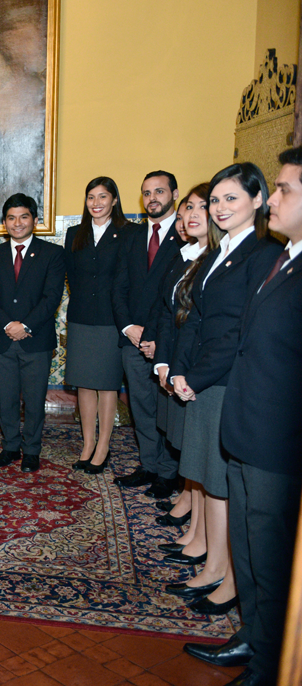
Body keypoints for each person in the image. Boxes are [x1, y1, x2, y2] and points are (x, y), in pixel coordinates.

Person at [184, 147, 302, 686]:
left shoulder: (271, 256)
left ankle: (269, 670)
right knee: (252, 552)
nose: (275, 199)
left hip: (277, 439)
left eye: (284, 190)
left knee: (273, 560)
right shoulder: (284, 259)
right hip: (249, 429)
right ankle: (254, 640)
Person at [169, 162, 282, 618]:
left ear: (258, 200)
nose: (219, 207)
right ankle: (215, 565)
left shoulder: (263, 252)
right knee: (209, 478)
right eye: (215, 199)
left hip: (225, 380)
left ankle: (228, 575)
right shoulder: (220, 251)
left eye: (230, 198)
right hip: (202, 377)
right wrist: (180, 370)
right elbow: (196, 318)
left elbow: (239, 330)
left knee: (220, 482)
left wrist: (194, 378)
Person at [0, 193, 66, 473]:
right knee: (5, 399)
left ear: (35, 220)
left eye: (24, 217)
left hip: (35, 339)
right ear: (4, 223)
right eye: (11, 218)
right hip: (1, 339)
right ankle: (10, 447)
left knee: (34, 400)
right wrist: (8, 325)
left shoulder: (52, 253)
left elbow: (51, 298)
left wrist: (25, 326)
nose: (17, 223)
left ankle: (31, 450)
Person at [112, 171, 185, 498]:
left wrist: (154, 335)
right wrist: (129, 328)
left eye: (159, 191)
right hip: (133, 339)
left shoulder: (185, 235)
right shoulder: (131, 236)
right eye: (146, 193)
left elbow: (175, 296)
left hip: (167, 340)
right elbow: (119, 286)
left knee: (167, 409)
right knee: (141, 407)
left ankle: (169, 473)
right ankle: (149, 465)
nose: (152, 198)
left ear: (174, 194)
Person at [152, 186, 211, 544]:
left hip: (196, 367)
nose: (192, 214)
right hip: (176, 359)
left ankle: (195, 517)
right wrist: (163, 361)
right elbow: (168, 310)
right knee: (184, 441)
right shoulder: (184, 255)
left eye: (203, 206)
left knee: (196, 447)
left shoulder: (214, 258)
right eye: (189, 207)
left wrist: (179, 368)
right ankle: (188, 500)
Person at [62, 177, 128, 474]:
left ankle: (103, 446)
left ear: (114, 200)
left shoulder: (128, 232)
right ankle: (88, 444)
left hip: (111, 319)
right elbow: (71, 275)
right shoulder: (74, 233)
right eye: (91, 197)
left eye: (103, 196)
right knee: (84, 383)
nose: (96, 203)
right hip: (80, 317)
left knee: (107, 384)